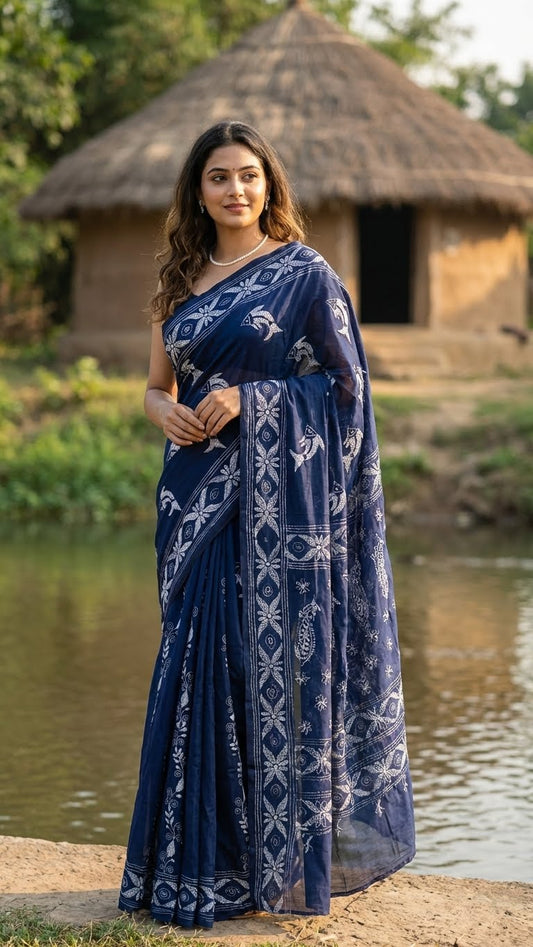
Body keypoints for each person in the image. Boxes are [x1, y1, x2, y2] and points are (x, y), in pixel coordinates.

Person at [118, 120, 415, 929]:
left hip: (278, 511)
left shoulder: (303, 275)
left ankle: (269, 871)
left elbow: (346, 391)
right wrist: (164, 414)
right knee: (192, 670)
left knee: (268, 674)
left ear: (269, 186)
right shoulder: (176, 279)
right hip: (193, 500)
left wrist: (253, 399)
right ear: (198, 190)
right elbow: (154, 383)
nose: (236, 190)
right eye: (219, 177)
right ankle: (196, 866)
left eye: (249, 175)